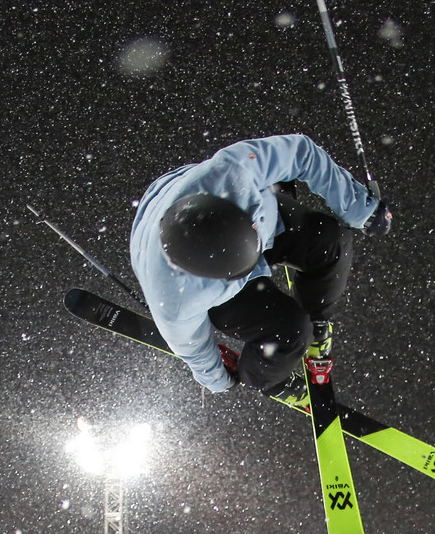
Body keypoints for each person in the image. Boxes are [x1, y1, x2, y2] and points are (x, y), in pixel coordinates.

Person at [129, 133, 390, 393]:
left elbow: (301, 151)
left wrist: (361, 208)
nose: (258, 267)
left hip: (254, 220)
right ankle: (265, 379)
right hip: (212, 285)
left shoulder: (233, 171)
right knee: (291, 333)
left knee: (331, 240)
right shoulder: (176, 299)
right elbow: (194, 349)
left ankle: (315, 318)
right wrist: (220, 379)